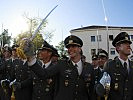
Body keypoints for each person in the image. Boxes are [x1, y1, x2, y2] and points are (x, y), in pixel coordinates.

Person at [24, 35, 95, 100]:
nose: (70, 49)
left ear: (80, 49)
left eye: (73, 46)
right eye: (68, 47)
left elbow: (91, 90)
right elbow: (44, 73)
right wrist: (30, 56)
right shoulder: (62, 64)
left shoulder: (89, 67)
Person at [96, 32, 133, 100]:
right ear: (118, 48)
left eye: (129, 43)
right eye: (125, 43)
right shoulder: (110, 65)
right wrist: (103, 84)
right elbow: (100, 92)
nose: (129, 45)